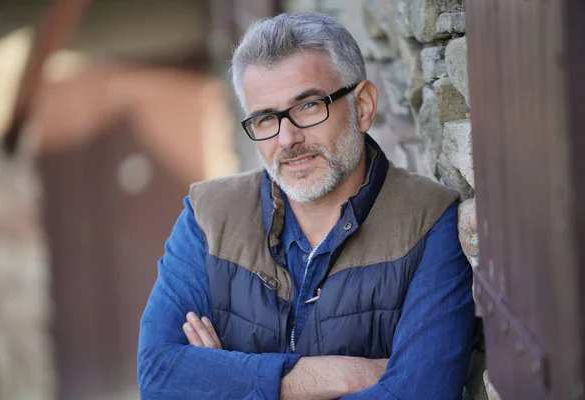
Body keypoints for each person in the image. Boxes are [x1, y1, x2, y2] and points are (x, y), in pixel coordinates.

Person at [138, 12, 475, 400]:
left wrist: (230, 383)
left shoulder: (428, 221)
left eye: (309, 106)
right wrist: (335, 378)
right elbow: (159, 377)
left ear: (363, 105)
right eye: (265, 118)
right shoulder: (209, 216)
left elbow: (419, 394)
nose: (287, 138)